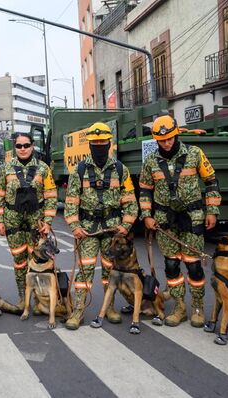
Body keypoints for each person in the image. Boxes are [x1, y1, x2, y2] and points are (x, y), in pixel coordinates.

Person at [139, 114, 221, 327]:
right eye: (162, 140)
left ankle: (197, 306)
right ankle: (179, 307)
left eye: (170, 139)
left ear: (176, 135)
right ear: (156, 140)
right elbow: (145, 191)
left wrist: (212, 211)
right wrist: (147, 216)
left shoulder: (195, 154)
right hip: (164, 219)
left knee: (193, 265)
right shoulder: (150, 162)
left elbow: (211, 182)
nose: (166, 143)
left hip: (192, 216)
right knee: (171, 264)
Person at [63, 122, 139, 330]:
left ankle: (110, 308)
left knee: (109, 272)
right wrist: (75, 226)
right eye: (94, 143)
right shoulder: (78, 170)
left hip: (113, 230)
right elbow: (70, 203)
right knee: (85, 272)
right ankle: (78, 311)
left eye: (102, 142)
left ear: (109, 143)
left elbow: (131, 201)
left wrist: (126, 225)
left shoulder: (121, 170)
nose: (98, 146)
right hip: (87, 229)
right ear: (89, 145)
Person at [0, 133, 57, 307]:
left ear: (32, 146)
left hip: (37, 224)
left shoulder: (43, 168)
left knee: (37, 262)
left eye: (26, 145)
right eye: (19, 146)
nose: (22, 149)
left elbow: (51, 196)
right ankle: (23, 298)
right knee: (19, 262)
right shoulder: (6, 168)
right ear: (15, 147)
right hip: (13, 222)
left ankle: (39, 300)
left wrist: (48, 222)